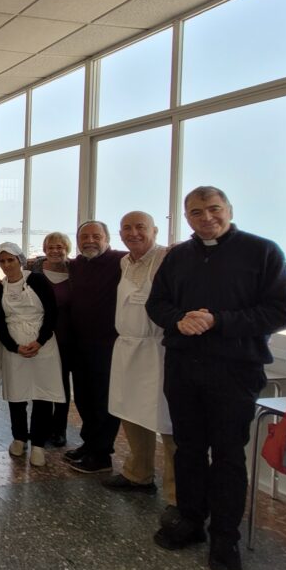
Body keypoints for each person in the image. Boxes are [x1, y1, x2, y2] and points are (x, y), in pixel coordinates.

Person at [146, 186, 286, 570]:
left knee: (229, 455)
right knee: (188, 449)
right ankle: (191, 521)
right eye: (196, 212)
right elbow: (156, 303)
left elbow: (283, 311)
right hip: (183, 366)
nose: (206, 218)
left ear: (229, 210)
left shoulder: (262, 251)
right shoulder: (178, 256)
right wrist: (178, 319)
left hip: (235, 368)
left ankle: (225, 537)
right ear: (186, 217)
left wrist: (219, 320)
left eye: (214, 209)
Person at [104, 212, 177, 520]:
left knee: (166, 422)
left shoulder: (166, 258)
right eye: (127, 229)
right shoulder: (125, 263)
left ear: (155, 231)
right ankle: (138, 473)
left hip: (155, 350)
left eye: (140, 228)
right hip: (127, 347)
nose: (133, 233)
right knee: (130, 412)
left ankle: (177, 494)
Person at [0, 243, 63, 468]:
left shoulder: (37, 280)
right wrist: (14, 347)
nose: (6, 265)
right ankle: (19, 438)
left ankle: (39, 444)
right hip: (14, 347)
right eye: (2, 261)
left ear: (19, 260)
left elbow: (52, 311)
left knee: (42, 395)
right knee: (17, 395)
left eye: (10, 260)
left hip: (43, 346)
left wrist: (40, 340)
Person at [64, 220, 125, 474]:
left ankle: (102, 453)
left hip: (108, 345)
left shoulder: (120, 261)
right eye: (84, 236)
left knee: (104, 400)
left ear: (107, 238)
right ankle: (89, 444)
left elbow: (152, 255)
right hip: (80, 343)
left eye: (95, 236)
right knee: (84, 398)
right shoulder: (77, 265)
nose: (89, 240)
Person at [28, 232, 73, 448]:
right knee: (41, 382)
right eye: (51, 247)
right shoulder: (35, 269)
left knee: (61, 383)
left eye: (60, 247)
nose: (55, 251)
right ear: (45, 249)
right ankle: (40, 427)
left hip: (66, 336)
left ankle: (60, 429)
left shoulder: (75, 271)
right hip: (40, 335)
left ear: (67, 249)